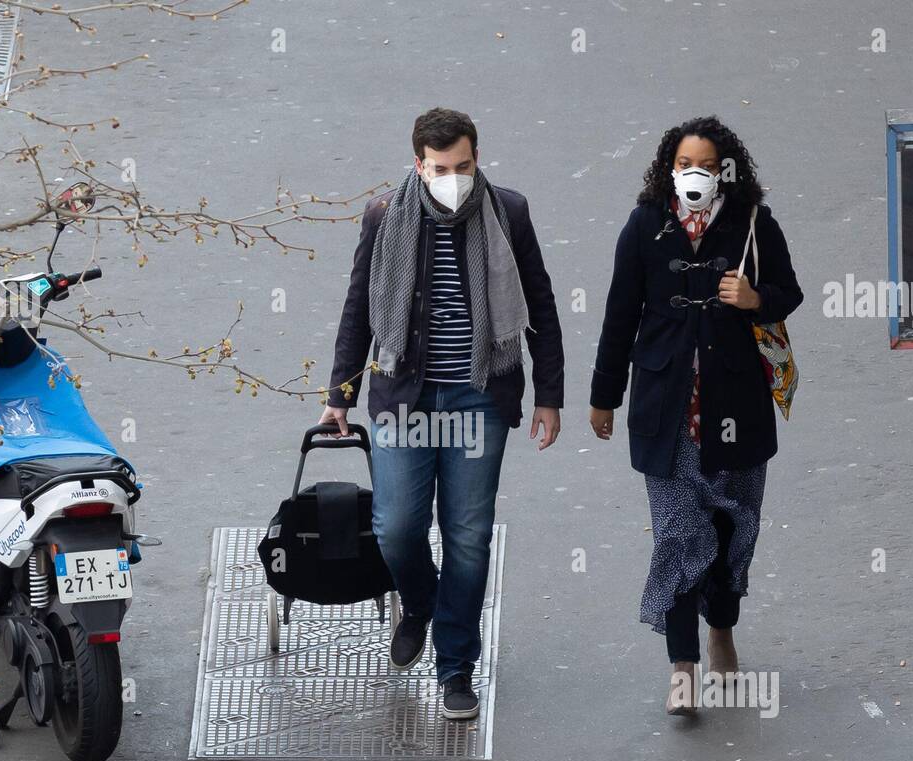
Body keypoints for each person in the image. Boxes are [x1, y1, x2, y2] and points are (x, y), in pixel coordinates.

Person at [322, 107, 564, 719]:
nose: (451, 177)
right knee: (398, 527)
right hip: (405, 396)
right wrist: (339, 396)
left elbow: (540, 305)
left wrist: (549, 396)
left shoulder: (508, 212)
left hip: (480, 396)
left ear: (476, 158)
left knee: (467, 537)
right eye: (438, 168)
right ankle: (425, 603)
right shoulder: (386, 216)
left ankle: (457, 667)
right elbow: (359, 310)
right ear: (418, 165)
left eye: (461, 166)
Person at [588, 116, 802, 716]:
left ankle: (723, 626)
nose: (694, 175)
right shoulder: (644, 226)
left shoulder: (754, 224)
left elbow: (790, 291)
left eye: (706, 166)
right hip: (668, 411)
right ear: (668, 169)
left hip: (738, 408)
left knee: (735, 532)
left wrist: (755, 299)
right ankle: (683, 666)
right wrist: (603, 397)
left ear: (725, 170)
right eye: (685, 165)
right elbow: (618, 314)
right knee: (680, 537)